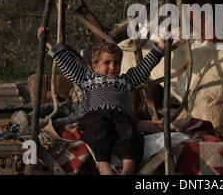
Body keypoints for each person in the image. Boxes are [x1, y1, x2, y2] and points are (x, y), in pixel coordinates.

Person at [37, 26, 166, 175]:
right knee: (99, 132)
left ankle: (128, 169)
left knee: (130, 134)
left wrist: (160, 47)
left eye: (117, 63)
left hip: (121, 117)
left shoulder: (126, 80)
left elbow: (144, 67)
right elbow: (67, 63)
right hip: (96, 116)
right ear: (95, 66)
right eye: (107, 62)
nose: (113, 67)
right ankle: (104, 168)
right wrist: (49, 43)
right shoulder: (87, 79)